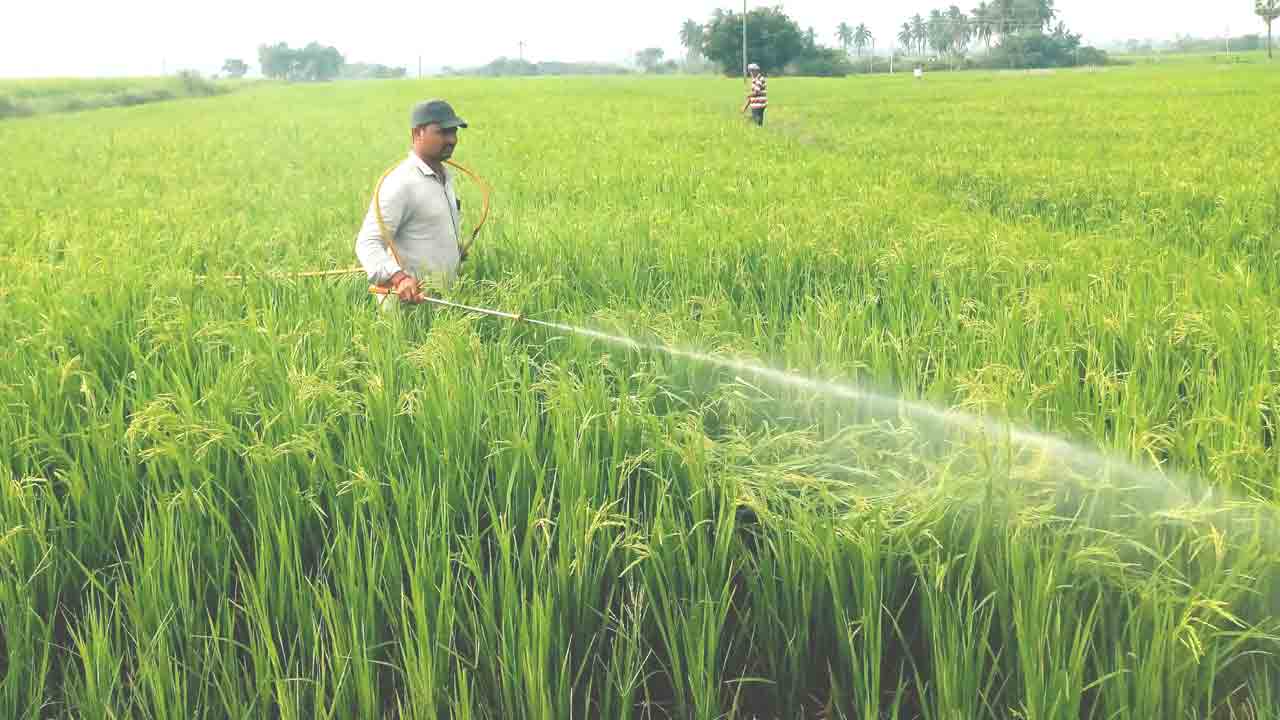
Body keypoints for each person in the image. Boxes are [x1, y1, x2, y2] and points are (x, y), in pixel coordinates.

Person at [355, 99, 468, 307]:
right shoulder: (401, 183)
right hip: (407, 308)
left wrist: (451, 249)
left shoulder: (444, 176)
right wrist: (399, 278)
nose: (452, 139)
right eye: (442, 132)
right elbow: (367, 243)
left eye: (454, 132)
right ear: (417, 133)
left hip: (442, 303)